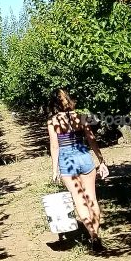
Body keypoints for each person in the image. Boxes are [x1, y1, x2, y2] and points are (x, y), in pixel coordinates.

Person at [47, 88, 109, 250]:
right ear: (68, 99)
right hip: (84, 156)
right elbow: (91, 139)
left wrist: (54, 171)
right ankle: (96, 232)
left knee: (79, 200)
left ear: (53, 103)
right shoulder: (80, 117)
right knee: (91, 199)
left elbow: (55, 146)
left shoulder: (53, 121)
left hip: (67, 162)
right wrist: (101, 160)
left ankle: (92, 235)